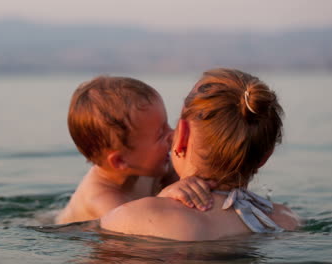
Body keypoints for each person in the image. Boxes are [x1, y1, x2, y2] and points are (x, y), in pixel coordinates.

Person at [100, 68, 300, 240]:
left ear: (182, 138)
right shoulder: (286, 219)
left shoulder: (132, 218)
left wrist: (159, 201)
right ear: (265, 157)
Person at [56, 76, 214, 224]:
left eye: (167, 125)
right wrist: (162, 199)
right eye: (160, 134)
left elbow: (179, 177)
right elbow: (137, 226)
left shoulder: (147, 167)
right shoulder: (102, 199)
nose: (173, 135)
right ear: (120, 161)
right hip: (71, 232)